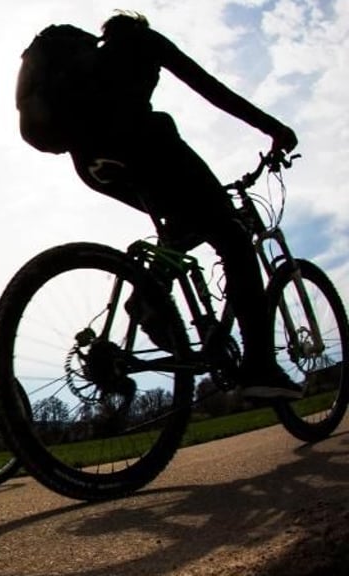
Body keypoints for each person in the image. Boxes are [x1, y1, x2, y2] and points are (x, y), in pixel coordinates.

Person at [66, 12, 301, 398]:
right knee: (232, 234)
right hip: (143, 145)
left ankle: (146, 298)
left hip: (92, 165)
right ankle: (259, 367)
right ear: (138, 26)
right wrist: (273, 128)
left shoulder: (89, 64)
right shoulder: (144, 41)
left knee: (184, 222)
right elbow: (211, 88)